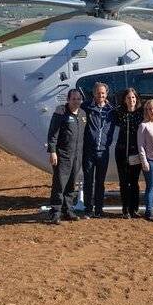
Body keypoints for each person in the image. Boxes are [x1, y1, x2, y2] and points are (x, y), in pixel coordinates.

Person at [46, 88, 87, 225]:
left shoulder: (82, 114)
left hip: (77, 155)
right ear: (68, 99)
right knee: (60, 184)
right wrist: (52, 151)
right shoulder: (61, 113)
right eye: (73, 98)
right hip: (63, 155)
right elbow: (53, 134)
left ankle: (68, 210)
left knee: (71, 184)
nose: (76, 101)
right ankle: (55, 213)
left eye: (78, 99)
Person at [81, 82, 116, 218]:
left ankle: (99, 209)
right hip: (89, 151)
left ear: (106, 94)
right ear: (94, 94)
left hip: (103, 151)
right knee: (88, 181)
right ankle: (88, 209)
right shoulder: (86, 108)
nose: (100, 95)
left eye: (103, 93)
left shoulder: (112, 110)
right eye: (98, 93)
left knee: (100, 182)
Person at [113, 87, 143, 219]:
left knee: (134, 182)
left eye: (133, 97)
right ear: (124, 100)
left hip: (136, 152)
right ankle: (125, 209)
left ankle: (134, 209)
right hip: (121, 151)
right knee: (124, 182)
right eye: (128, 98)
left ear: (136, 99)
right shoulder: (119, 112)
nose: (131, 100)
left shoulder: (141, 113)